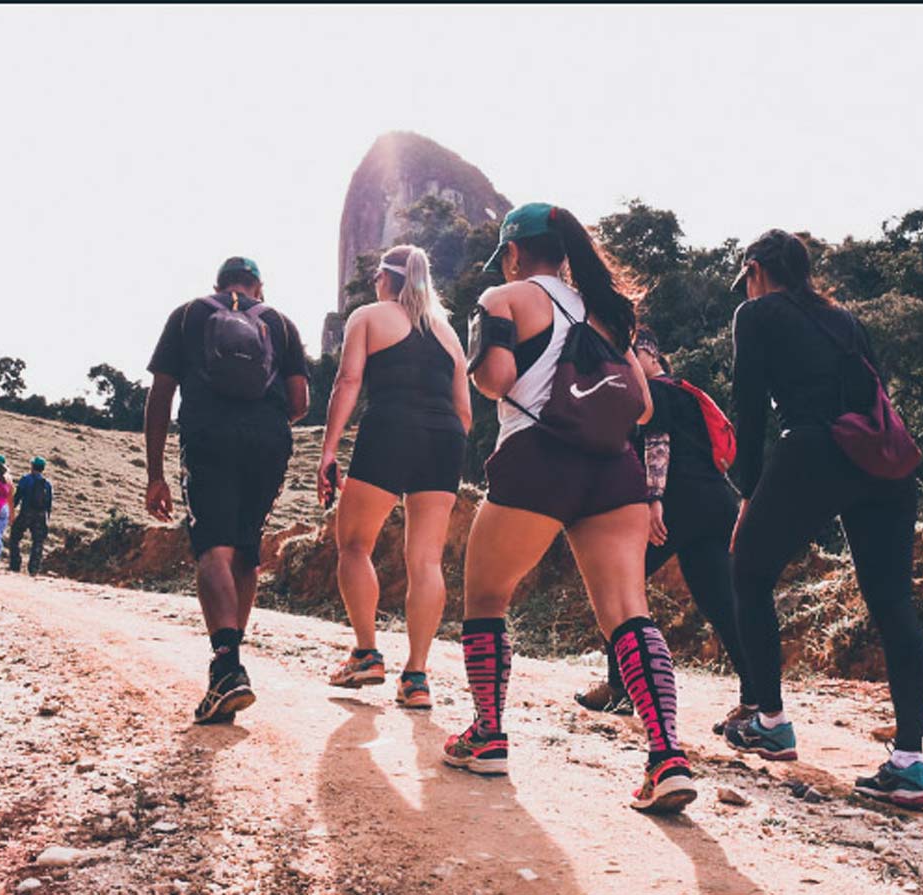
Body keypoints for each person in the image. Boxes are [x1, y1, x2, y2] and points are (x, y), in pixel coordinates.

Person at [444, 202, 697, 814]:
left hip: (538, 460)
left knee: (485, 597)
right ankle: (666, 756)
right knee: (627, 612)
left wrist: (483, 359)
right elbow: (642, 408)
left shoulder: (503, 299)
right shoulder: (608, 317)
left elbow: (497, 380)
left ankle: (489, 735)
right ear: (563, 251)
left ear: (512, 253)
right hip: (613, 469)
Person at [725, 229, 923, 809]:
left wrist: (748, 496)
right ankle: (911, 764)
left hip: (815, 448)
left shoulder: (756, 313)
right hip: (883, 460)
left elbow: (749, 411)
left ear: (756, 269)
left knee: (747, 572)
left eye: (747, 277)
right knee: (892, 602)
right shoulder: (845, 320)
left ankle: (770, 720)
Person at [145, 256, 310, 725]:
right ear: (259, 287)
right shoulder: (279, 322)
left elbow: (160, 395)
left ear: (216, 285)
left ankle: (226, 666)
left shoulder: (187, 314)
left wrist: (155, 473)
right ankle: (230, 663)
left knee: (212, 550)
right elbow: (299, 402)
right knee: (245, 550)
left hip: (208, 436)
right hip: (268, 442)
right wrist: (264, 414)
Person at [575, 329, 758, 734]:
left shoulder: (654, 390)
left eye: (626, 356)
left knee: (618, 583)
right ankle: (755, 700)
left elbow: (657, 442)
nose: (621, 365)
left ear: (649, 354)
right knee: (722, 604)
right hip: (716, 502)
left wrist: (653, 497)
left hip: (678, 501)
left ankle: (620, 688)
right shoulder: (685, 392)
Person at [318, 245, 472, 709]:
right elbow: (465, 412)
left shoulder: (369, 316)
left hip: (391, 427)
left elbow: (348, 382)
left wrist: (328, 451)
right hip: (444, 438)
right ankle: (417, 678)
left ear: (386, 279)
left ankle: (366, 653)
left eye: (376, 279)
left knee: (354, 544)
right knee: (425, 561)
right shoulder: (447, 333)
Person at [10, 456, 53, 576]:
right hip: (40, 516)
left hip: (26, 513)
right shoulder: (47, 484)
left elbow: (18, 496)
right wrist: (47, 519)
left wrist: (11, 510)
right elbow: (49, 504)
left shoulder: (26, 479)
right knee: (38, 542)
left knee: (14, 537)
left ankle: (15, 565)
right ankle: (33, 569)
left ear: (32, 466)